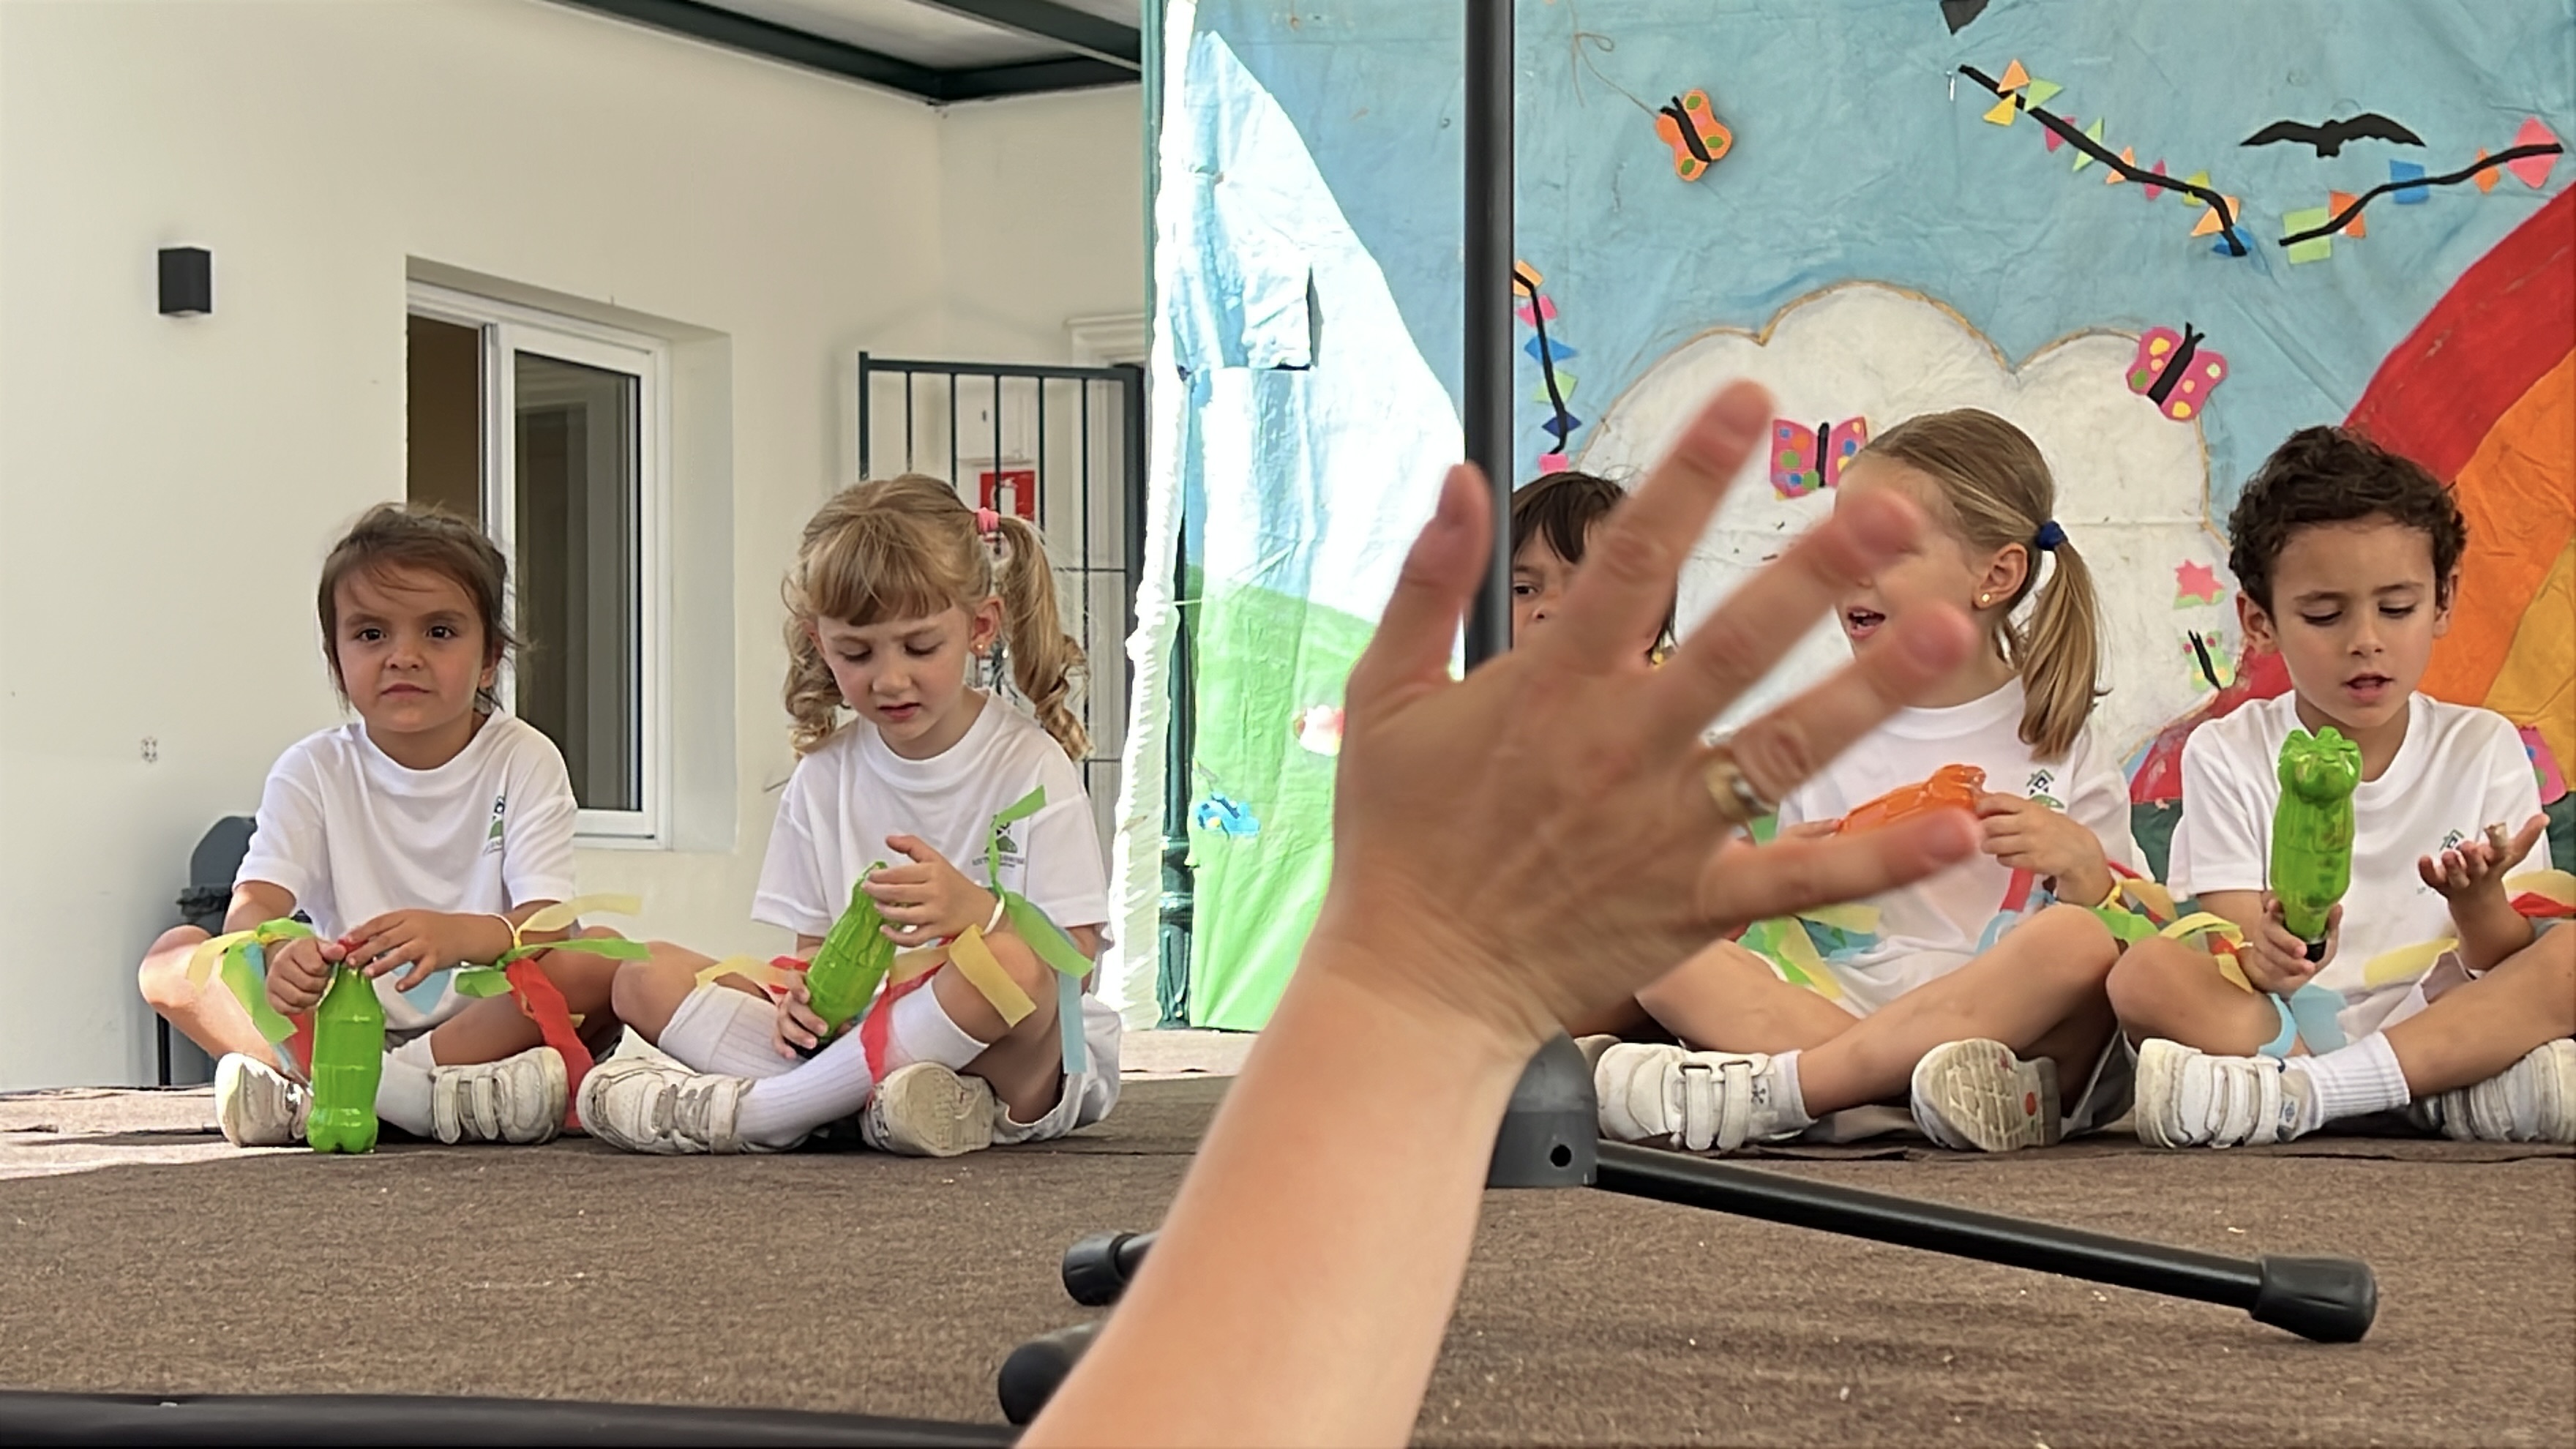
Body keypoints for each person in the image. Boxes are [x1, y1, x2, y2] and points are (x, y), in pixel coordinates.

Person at [1022, 380, 1980, 1446]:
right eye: (1525, 587)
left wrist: (1422, 986)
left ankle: (1852, 1075)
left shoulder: (1667, 748)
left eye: (1589, 586)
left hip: (1639, 982)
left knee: (1666, 970)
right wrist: (1421, 980)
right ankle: (1837, 1082)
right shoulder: (1467, 746)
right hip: (1554, 1006)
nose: (1552, 609)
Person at [1590, 410, 2138, 1153]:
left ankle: (1790, 1095)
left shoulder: (2061, 740)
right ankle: (1902, 1097)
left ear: (1996, 576)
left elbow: (2137, 935)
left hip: (2004, 1029)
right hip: (1849, 1006)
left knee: (2077, 943)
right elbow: (1789, 937)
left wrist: (2083, 869)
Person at [576, 476, 1119, 1156]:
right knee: (643, 973)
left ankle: (773, 1112)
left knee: (1007, 964)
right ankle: (877, 1106)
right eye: (857, 653)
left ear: (980, 627)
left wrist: (979, 913)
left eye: (920, 647)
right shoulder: (823, 775)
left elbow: (1074, 971)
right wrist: (799, 1000)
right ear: (819, 641)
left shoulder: (1030, 763)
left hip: (1013, 1061)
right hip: (862, 1035)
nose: (889, 679)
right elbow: (812, 954)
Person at [2110, 427, 2572, 1146]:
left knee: (2568, 958)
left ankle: (2309, 1098)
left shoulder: (2481, 747)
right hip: (2288, 1027)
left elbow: (2501, 959)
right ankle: (2439, 1100)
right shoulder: (2228, 751)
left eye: (2397, 609)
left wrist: (2478, 903)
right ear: (2259, 622)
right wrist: (2277, 946)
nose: (2365, 640)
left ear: (2443, 601)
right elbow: (2240, 949)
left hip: (2444, 1018)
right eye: (2324, 615)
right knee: (2142, 975)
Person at [135, 503, 602, 1147]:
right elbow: (252, 907)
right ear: (337, 660)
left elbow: (547, 923)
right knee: (171, 960)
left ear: (490, 660)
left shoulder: (523, 757)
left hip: (483, 1021)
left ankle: (358, 1091)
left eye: (439, 632)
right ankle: (400, 1095)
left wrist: (457, 935)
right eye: (372, 634)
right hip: (339, 1018)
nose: (403, 656)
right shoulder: (312, 768)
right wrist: (280, 950)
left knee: (593, 959)